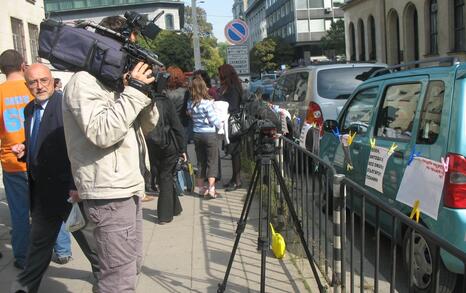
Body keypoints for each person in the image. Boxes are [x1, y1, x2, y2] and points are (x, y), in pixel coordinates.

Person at [61, 16, 159, 293]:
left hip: (127, 188)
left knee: (128, 267)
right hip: (108, 193)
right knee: (118, 279)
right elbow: (102, 133)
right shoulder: (84, 81)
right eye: (129, 50)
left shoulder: (114, 81)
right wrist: (133, 93)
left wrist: (144, 94)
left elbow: (148, 127)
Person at [10, 63, 100, 293]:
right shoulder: (29, 109)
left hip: (69, 191)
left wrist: (76, 184)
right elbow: (40, 142)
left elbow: (79, 149)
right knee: (38, 246)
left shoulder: (65, 106)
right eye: (33, 82)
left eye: (43, 80)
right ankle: (24, 287)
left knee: (89, 243)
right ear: (27, 85)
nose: (39, 86)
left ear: (52, 80)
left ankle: (107, 283)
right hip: (42, 194)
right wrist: (26, 151)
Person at [0, 50, 31, 270]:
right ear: (23, 65)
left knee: (19, 212)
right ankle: (62, 249)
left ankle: (21, 256)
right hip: (38, 158)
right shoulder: (34, 87)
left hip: (11, 161)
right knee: (47, 209)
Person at [146, 94, 186, 224]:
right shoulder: (165, 101)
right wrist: (182, 149)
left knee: (164, 176)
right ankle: (165, 215)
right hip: (168, 144)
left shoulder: (143, 100)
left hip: (151, 145)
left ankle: (175, 207)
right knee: (165, 177)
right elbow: (176, 125)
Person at [187, 77, 221, 198]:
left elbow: (191, 116)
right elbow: (213, 120)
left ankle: (201, 188)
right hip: (209, 134)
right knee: (212, 161)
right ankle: (211, 189)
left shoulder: (190, 103)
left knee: (201, 162)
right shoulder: (207, 104)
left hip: (197, 134)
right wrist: (220, 123)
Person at [218, 64, 243, 191]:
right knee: (233, 152)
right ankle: (234, 178)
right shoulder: (231, 87)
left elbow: (233, 106)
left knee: (235, 152)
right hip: (230, 122)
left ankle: (237, 180)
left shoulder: (232, 89)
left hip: (233, 123)